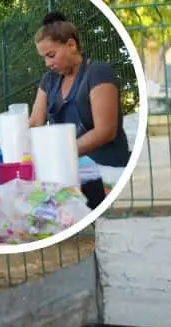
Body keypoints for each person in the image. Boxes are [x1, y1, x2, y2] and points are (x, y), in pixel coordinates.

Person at [30, 11, 131, 209]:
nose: (48, 63)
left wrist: (61, 153)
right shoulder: (49, 81)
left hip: (106, 172)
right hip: (69, 171)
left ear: (71, 45)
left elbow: (105, 132)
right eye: (44, 58)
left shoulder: (98, 72)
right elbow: (35, 122)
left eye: (51, 55)